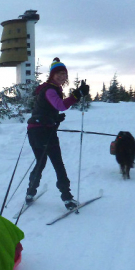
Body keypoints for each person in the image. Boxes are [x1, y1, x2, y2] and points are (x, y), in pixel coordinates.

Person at [25, 57, 89, 210]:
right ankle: (67, 199)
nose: (62, 76)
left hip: (34, 130)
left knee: (40, 162)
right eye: (58, 73)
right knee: (57, 163)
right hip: (43, 132)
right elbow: (60, 105)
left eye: (64, 74)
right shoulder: (50, 89)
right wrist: (76, 95)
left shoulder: (47, 89)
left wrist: (54, 117)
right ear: (52, 75)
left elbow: (46, 109)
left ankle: (30, 193)